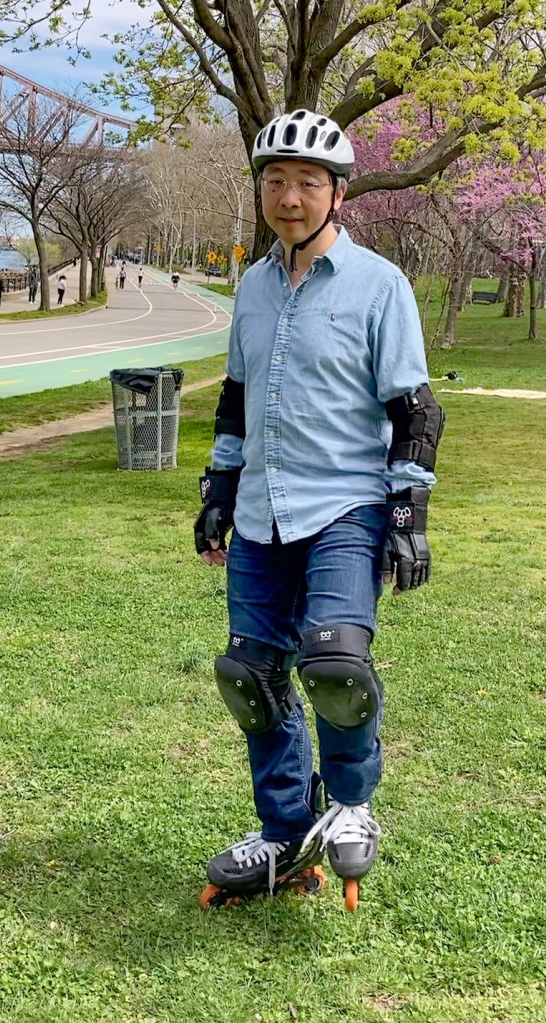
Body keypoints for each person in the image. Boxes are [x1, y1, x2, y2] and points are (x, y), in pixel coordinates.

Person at [194, 110, 444, 910]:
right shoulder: (254, 287)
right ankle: (285, 827)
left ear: (338, 195)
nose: (289, 197)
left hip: (346, 506)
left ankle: (352, 804)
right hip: (263, 509)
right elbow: (236, 403)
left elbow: (415, 409)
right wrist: (216, 492)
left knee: (335, 667)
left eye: (307, 183)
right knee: (251, 676)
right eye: (275, 181)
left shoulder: (380, 285)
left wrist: (408, 514)